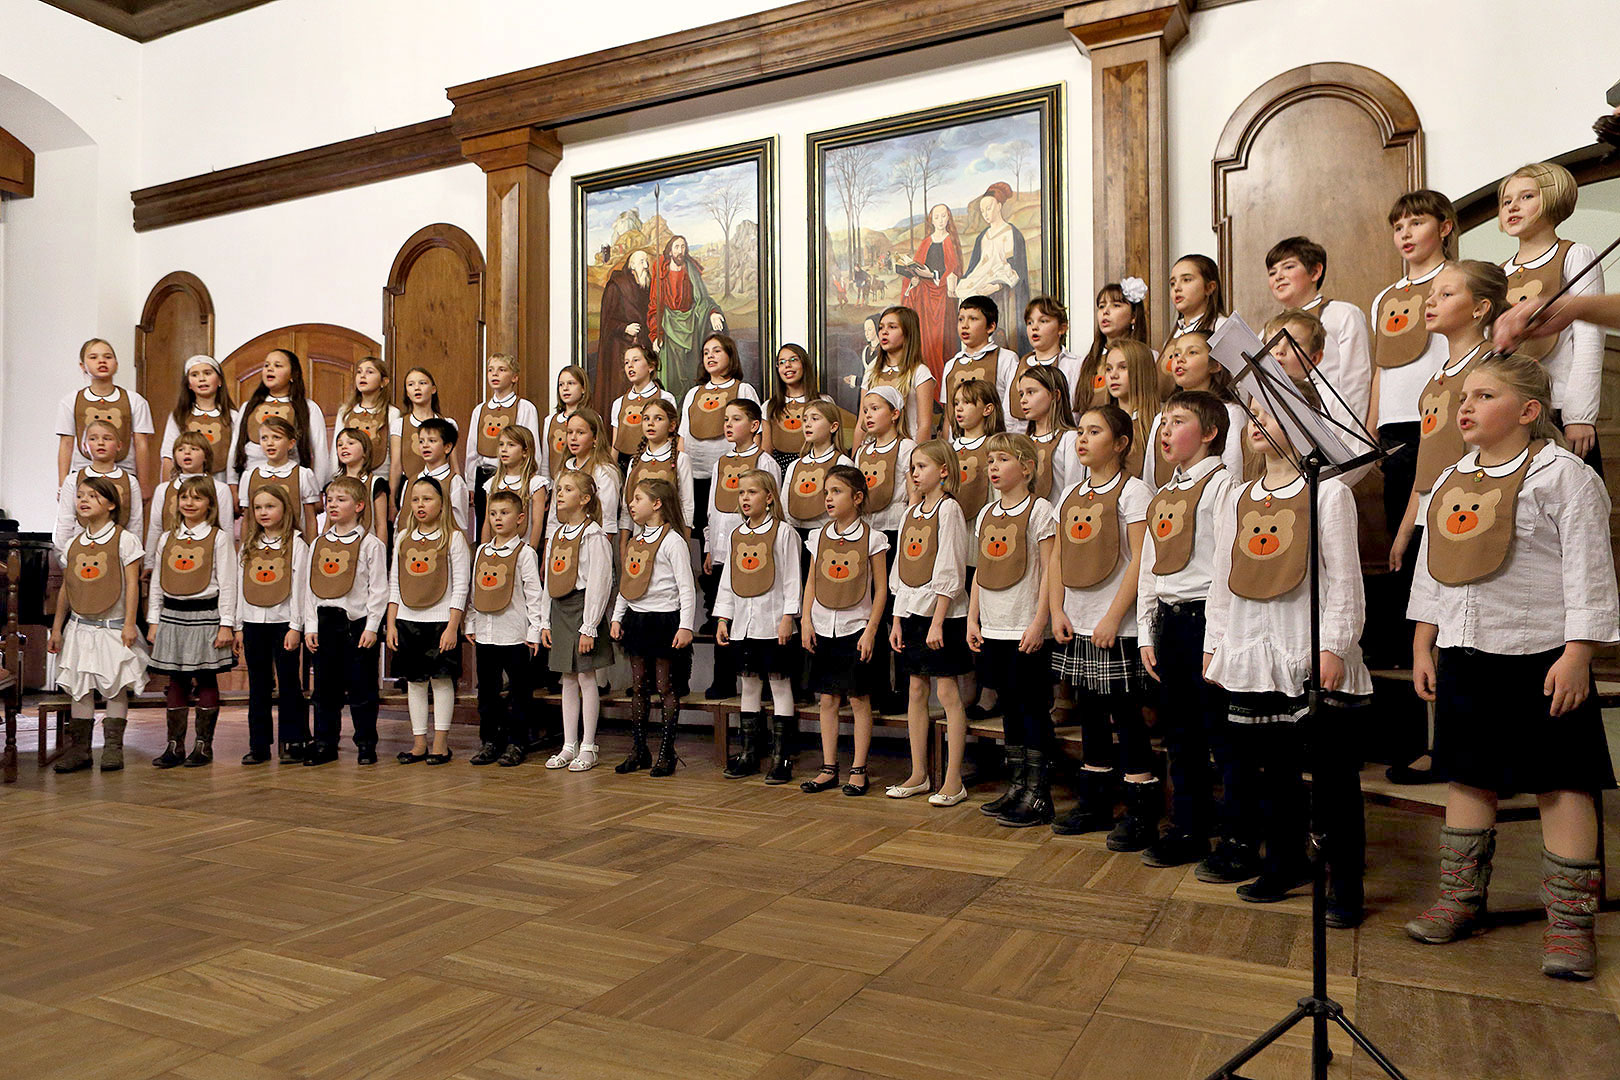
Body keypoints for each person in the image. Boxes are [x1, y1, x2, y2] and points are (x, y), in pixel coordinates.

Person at [1405, 353, 1616, 981]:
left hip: (1543, 655)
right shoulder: (1449, 479)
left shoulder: (1564, 478)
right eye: (1463, 396)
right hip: (1468, 649)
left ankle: (1571, 926)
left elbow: (1589, 572)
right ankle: (1460, 899)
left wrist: (1580, 653)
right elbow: (1433, 568)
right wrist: (1424, 642)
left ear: (1528, 412)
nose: (1464, 406)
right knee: (1468, 775)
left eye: (1484, 396)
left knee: (1561, 781)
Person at [1204, 387, 1370, 922]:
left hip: (1307, 646)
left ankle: (1345, 882)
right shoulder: (1235, 496)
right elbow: (1223, 579)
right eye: (1251, 413)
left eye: (1270, 413)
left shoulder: (1328, 494)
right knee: (1271, 770)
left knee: (1332, 777)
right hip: (1254, 645)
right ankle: (1283, 861)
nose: (1256, 422)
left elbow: (1344, 578)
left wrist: (1335, 645)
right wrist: (1217, 641)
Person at [1134, 390, 1234, 868]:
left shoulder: (1222, 488)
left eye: (1178, 421)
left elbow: (1223, 567)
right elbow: (1150, 567)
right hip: (1171, 624)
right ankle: (1188, 827)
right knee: (1180, 735)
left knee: (1219, 734)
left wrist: (1214, 638)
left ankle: (1235, 834)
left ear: (1210, 432)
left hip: (1206, 624)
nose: (1165, 431)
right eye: (1163, 422)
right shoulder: (1164, 495)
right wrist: (1148, 631)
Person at [1048, 405, 1155, 846]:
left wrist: (1114, 617)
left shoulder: (1134, 492)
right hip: (1078, 621)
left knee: (1125, 715)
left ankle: (1139, 810)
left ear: (1122, 443)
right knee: (1090, 713)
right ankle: (1094, 803)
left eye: (1095, 432)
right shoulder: (1071, 493)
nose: (1084, 438)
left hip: (1117, 626)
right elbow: (1057, 557)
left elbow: (1140, 561)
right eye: (1081, 432)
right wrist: (1057, 610)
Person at [1388, 262, 1509, 576]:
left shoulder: (1491, 367)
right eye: (1431, 295)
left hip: (1469, 510)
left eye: (1446, 294)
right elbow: (1428, 463)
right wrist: (1405, 529)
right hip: (1427, 514)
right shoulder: (1436, 378)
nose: (1429, 302)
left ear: (1479, 308)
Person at [968, 433, 1057, 826]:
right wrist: (973, 618)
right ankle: (1017, 785)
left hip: (1026, 626)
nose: (993, 467)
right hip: (994, 626)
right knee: (1009, 710)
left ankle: (1039, 794)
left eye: (1002, 459)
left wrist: (1041, 623)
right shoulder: (987, 515)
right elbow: (980, 572)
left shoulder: (1040, 511)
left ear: (1026, 467)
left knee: (1033, 709)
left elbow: (1051, 572)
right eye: (990, 460)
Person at [1497, 162, 1607, 468]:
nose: (1513, 206)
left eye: (1527, 197)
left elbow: (1590, 337)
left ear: (1553, 197)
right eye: (1507, 201)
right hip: (1514, 413)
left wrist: (1579, 415)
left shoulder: (1575, 255)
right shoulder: (1500, 272)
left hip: (1558, 408)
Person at [887, 440, 972, 805]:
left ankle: (953, 780)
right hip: (911, 614)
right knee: (916, 691)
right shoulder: (910, 512)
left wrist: (938, 621)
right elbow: (901, 571)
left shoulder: (949, 510)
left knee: (948, 692)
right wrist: (896, 620)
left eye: (922, 466)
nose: (915, 473)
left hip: (943, 615)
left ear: (944, 471)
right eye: (912, 467)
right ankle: (919, 773)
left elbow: (950, 568)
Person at [48, 474, 147, 773]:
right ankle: (80, 749)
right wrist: (57, 627)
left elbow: (132, 585)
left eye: (92, 496)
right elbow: (67, 587)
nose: (84, 501)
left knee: (114, 684)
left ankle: (112, 748)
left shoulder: (124, 540)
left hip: (112, 626)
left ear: (111, 504)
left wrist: (130, 623)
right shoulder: (73, 544)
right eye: (80, 495)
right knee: (79, 688)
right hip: (79, 626)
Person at [800, 465, 890, 796]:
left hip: (856, 627)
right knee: (827, 699)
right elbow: (812, 580)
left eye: (836, 492)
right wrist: (806, 620)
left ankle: (859, 769)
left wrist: (871, 631)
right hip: (824, 626)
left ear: (857, 497)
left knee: (858, 698)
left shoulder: (873, 539)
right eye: (826, 492)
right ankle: (828, 768)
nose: (828, 498)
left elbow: (881, 590)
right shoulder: (818, 536)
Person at [716, 469, 803, 782]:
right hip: (744, 623)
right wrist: (724, 617)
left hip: (773, 621)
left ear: (768, 497)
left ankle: (782, 759)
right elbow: (728, 580)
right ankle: (749, 753)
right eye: (741, 493)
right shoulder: (737, 535)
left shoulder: (783, 533)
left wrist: (787, 617)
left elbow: (793, 578)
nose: (745, 499)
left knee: (779, 686)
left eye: (751, 493)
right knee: (749, 685)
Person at [146, 475, 236, 768]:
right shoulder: (166, 538)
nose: (190, 503)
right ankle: (174, 745)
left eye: (197, 498)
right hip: (171, 616)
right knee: (176, 678)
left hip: (206, 615)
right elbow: (157, 583)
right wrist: (153, 620)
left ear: (210, 503)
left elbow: (228, 583)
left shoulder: (218, 538)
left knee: (206, 676)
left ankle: (203, 746)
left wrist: (227, 624)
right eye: (185, 497)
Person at [613, 477, 700, 777]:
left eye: (638, 499)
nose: (632, 504)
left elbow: (686, 588)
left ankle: (667, 752)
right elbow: (628, 583)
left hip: (665, 621)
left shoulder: (673, 541)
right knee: (638, 686)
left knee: (665, 687)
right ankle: (639, 749)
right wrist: (616, 616)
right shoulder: (636, 540)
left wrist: (686, 626)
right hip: (638, 619)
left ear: (657, 504)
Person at [304, 476, 388, 766]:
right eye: (330, 500)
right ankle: (325, 743)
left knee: (362, 689)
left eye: (341, 500)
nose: (333, 505)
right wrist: (310, 626)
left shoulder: (370, 544)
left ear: (359, 505)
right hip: (325, 622)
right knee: (324, 690)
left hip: (356, 626)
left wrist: (372, 627)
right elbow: (310, 587)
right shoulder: (318, 543)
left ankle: (366, 743)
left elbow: (378, 589)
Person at [387, 476, 471, 765]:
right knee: (415, 682)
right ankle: (418, 742)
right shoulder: (403, 538)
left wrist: (452, 626)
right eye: (415, 499)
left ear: (441, 503)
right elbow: (394, 584)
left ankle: (440, 742)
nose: (420, 505)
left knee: (442, 681)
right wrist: (391, 623)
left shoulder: (453, 538)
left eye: (427, 499)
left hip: (440, 622)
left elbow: (461, 585)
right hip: (408, 621)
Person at [541, 470, 616, 769]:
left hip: (583, 609)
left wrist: (590, 625)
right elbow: (551, 579)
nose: (559, 494)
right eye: (559, 488)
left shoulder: (594, 534)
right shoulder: (557, 535)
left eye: (568, 489)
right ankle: (568, 744)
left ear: (585, 499)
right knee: (567, 678)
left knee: (587, 677)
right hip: (561, 610)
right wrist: (545, 621)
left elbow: (600, 581)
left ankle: (589, 745)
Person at [466, 489, 544, 768]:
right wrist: (471, 621)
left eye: (505, 513)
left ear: (520, 518)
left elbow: (535, 595)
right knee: (487, 691)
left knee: (519, 692)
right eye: (493, 513)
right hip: (486, 634)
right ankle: (490, 740)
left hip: (515, 634)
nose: (498, 518)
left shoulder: (525, 553)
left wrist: (535, 630)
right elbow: (476, 591)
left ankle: (517, 742)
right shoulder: (482, 552)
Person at [234, 485, 311, 765]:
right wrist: (238, 626)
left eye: (270, 506)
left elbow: (301, 588)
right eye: (258, 508)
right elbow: (241, 586)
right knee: (258, 684)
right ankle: (259, 744)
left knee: (289, 682)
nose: (263, 512)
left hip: (283, 623)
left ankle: (294, 740)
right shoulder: (248, 546)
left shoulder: (297, 545)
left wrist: (295, 626)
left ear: (285, 509)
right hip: (254, 622)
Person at [1265, 236, 1373, 427]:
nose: (1278, 276)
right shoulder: (1266, 332)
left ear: (1315, 272)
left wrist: (1356, 432)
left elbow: (1356, 381)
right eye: (1272, 272)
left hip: (1335, 421)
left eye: (1288, 267)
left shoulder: (1343, 314)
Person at [1144, 330, 1246, 490]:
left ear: (1215, 364)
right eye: (1176, 354)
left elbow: (1234, 470)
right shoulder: (1161, 418)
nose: (1180, 359)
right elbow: (1150, 475)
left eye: (1192, 352)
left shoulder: (1231, 412)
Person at [56, 337, 155, 497]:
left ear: (116, 363)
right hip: (84, 474)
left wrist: (143, 485)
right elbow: (66, 444)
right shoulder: (71, 401)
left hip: (125, 473)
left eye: (108, 357)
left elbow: (141, 444)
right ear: (83, 366)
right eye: (93, 357)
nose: (101, 361)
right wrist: (62, 485)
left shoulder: (135, 400)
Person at [230, 347, 332, 490]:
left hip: (292, 483)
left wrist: (318, 489)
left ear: (292, 375)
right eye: (266, 365)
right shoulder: (249, 407)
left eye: (277, 365)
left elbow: (320, 452)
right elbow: (235, 447)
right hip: (252, 482)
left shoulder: (308, 408)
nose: (270, 369)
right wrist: (233, 485)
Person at [465, 353, 542, 532]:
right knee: (486, 524)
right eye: (491, 370)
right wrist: (470, 483)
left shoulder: (524, 407)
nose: (494, 374)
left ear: (514, 377)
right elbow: (472, 450)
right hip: (484, 476)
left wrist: (532, 478)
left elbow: (532, 447)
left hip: (514, 476)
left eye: (501, 370)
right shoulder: (480, 410)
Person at [648, 234, 727, 404]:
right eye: (676, 247)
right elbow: (655, 303)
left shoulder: (690, 268)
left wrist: (712, 311)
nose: (680, 251)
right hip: (668, 326)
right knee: (672, 376)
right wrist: (655, 333)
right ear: (670, 250)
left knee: (690, 371)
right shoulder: (661, 270)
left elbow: (702, 298)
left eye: (683, 247)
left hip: (691, 324)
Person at [957, 182, 1031, 354]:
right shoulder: (982, 237)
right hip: (981, 284)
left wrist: (997, 286)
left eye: (988, 208)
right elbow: (975, 266)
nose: (985, 214)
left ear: (999, 206)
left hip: (1003, 294)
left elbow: (1017, 270)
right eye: (982, 211)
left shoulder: (1011, 233)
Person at [54, 419, 144, 560]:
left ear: (120, 445)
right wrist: (64, 559)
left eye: (107, 438)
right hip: (80, 554)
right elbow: (64, 522)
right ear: (84, 446)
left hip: (118, 554)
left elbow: (135, 523)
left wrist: (134, 557)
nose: (100, 443)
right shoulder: (73, 480)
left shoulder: (130, 481)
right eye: (93, 439)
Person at [899, 202, 964, 384]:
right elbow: (917, 265)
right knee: (926, 342)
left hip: (943, 297)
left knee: (942, 344)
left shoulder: (950, 240)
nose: (940, 220)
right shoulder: (926, 242)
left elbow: (954, 269)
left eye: (944, 216)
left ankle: (942, 389)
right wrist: (915, 278)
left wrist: (934, 276)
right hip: (925, 299)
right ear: (931, 220)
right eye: (936, 217)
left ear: (949, 217)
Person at [146, 432, 234, 565]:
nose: (187, 453)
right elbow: (156, 528)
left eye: (194, 449)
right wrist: (149, 563)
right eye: (181, 450)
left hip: (209, 560)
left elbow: (226, 529)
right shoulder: (162, 490)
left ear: (206, 456)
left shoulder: (220, 489)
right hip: (169, 559)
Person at [335, 356, 400, 526]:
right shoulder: (346, 412)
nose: (362, 376)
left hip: (379, 482)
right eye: (359, 372)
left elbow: (395, 460)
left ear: (383, 381)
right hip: (349, 482)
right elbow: (336, 452)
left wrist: (392, 498)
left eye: (369, 372)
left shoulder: (391, 413)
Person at [158, 354, 237, 483]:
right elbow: (168, 456)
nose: (202, 379)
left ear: (220, 380)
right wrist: (167, 488)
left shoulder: (232, 417)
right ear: (189, 384)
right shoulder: (179, 416)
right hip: (186, 483)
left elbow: (235, 457)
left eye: (207, 373)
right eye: (194, 375)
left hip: (221, 481)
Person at [239, 415, 321, 539]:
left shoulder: (303, 475)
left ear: (291, 443)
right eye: (264, 438)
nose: (269, 443)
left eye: (276, 437)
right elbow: (246, 520)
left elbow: (310, 519)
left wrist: (311, 550)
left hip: (294, 546)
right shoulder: (249, 476)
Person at [1009, 297, 1085, 429]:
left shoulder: (1074, 365)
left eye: (1043, 321)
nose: (1035, 327)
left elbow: (1076, 410)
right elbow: (1008, 415)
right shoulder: (1018, 366)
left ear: (1062, 328)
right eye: (1030, 323)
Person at [865, 306, 936, 442]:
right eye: (881, 327)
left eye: (892, 327)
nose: (884, 332)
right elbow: (861, 425)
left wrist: (917, 460)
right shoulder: (872, 370)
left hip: (907, 446)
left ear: (908, 333)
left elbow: (924, 425)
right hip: (875, 448)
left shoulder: (920, 372)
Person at [783, 400, 853, 538]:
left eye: (815, 418)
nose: (807, 424)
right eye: (805, 419)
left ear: (833, 427)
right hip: (796, 534)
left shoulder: (842, 464)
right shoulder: (795, 465)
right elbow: (785, 504)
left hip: (829, 534)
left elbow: (847, 507)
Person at [596, 248, 655, 407]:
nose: (646, 265)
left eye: (646, 261)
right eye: (642, 261)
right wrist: (624, 328)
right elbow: (608, 321)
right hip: (620, 347)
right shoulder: (618, 285)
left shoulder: (645, 286)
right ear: (632, 265)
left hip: (641, 345)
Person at [1076, 283, 1150, 408]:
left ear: (1133, 316)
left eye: (1116, 305)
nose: (1105, 311)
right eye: (1101, 306)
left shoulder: (1147, 356)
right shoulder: (1087, 362)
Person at [765, 343, 834, 474]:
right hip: (780, 470)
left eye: (793, 360)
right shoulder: (769, 406)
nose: (787, 365)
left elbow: (832, 442)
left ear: (804, 364)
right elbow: (766, 450)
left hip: (817, 468)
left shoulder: (824, 401)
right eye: (782, 362)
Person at [941, 295, 1017, 413]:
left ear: (991, 326)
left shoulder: (1006, 358)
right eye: (961, 319)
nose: (964, 325)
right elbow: (949, 414)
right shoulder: (951, 365)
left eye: (973, 319)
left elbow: (1011, 409)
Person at [394, 367, 460, 501]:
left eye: (422, 383)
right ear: (407, 392)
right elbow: (395, 466)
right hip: (410, 488)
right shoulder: (399, 424)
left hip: (441, 487)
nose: (417, 388)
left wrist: (461, 488)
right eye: (411, 384)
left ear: (433, 389)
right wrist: (391, 501)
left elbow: (454, 463)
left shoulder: (447, 423)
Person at [1014, 364, 1078, 501]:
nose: (1023, 400)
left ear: (1055, 395)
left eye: (1031, 392)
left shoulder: (1069, 438)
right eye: (1021, 394)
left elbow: (1074, 487)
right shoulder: (1023, 442)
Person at [608, 344, 676, 469]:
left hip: (654, 462)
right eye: (626, 362)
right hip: (624, 464)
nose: (630, 366)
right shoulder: (619, 403)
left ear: (650, 366)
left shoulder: (665, 398)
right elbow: (615, 444)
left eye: (636, 360)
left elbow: (671, 438)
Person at [1103, 340, 1164, 481]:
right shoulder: (1101, 423)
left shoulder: (1160, 423)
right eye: (1108, 369)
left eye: (1123, 367)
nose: (1113, 375)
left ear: (1142, 372)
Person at [480, 425, 548, 548]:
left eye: (511, 445)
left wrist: (531, 550)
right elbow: (487, 522)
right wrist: (483, 550)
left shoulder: (535, 483)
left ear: (525, 452)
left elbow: (537, 523)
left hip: (523, 549)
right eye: (501, 444)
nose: (504, 449)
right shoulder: (492, 484)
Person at [406, 417, 470, 536]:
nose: (425, 445)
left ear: (447, 447)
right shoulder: (411, 481)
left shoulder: (455, 482)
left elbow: (460, 525)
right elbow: (402, 519)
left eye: (432, 441)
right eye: (421, 441)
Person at [542, 365, 591, 486]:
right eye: (561, 384)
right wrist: (547, 487)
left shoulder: (592, 418)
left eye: (571, 383)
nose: (565, 388)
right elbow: (545, 460)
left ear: (583, 388)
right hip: (556, 484)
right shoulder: (550, 421)